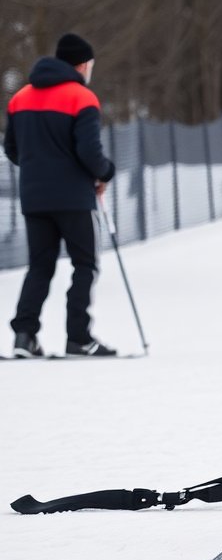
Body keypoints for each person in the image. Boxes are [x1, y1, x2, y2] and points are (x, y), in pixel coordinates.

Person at [4, 33, 118, 357]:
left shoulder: (20, 97)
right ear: (82, 64)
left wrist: (38, 168)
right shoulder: (81, 98)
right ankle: (78, 337)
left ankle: (24, 336)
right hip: (73, 198)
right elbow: (89, 152)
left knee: (39, 266)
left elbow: (12, 148)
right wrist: (104, 172)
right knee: (85, 264)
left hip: (34, 197)